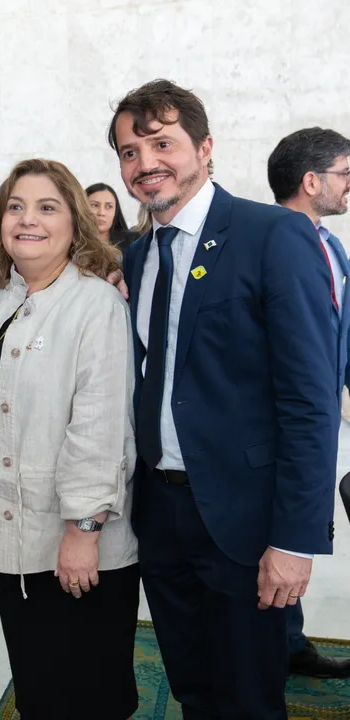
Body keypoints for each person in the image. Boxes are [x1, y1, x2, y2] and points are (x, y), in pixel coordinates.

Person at [114, 79, 339, 719]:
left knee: (248, 699)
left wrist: (295, 540)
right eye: (130, 151)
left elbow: (310, 400)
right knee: (192, 688)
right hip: (159, 515)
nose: (145, 162)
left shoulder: (273, 234)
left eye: (162, 143)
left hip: (244, 524)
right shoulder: (136, 258)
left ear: (205, 147)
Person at [0, 159, 139, 718]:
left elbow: (100, 427)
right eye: (16, 207)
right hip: (2, 520)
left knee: (88, 684)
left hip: (75, 533)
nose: (27, 220)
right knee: (37, 675)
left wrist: (82, 531)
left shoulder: (95, 304)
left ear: (76, 225)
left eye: (46, 207)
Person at [267, 127, 350, 679]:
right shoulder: (270, 243)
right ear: (311, 180)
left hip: (322, 419)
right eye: (345, 175)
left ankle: (289, 643)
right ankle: (271, 651)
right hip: (280, 429)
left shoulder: (334, 246)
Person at [86, 182, 137, 252]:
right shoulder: (71, 242)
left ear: (116, 211)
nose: (101, 213)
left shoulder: (134, 241)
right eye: (94, 205)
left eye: (109, 206)